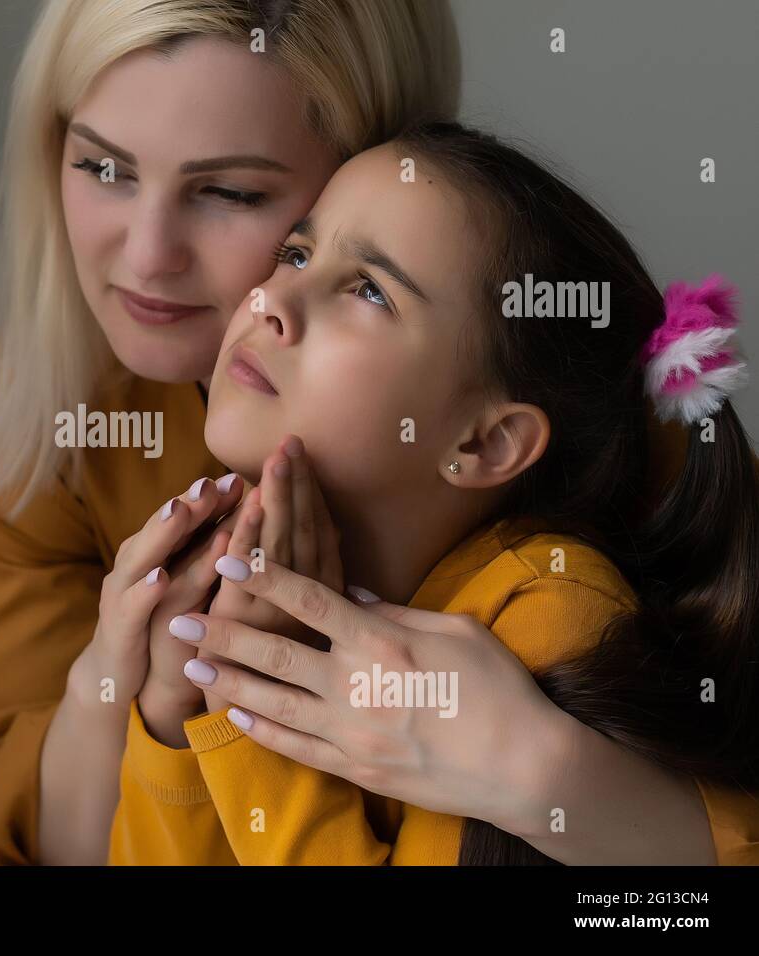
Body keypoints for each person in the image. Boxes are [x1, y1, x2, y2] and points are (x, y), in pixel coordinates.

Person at [0, 0, 757, 865]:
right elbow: (62, 846)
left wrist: (547, 772)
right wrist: (148, 694)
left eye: (230, 192)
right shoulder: (39, 408)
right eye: (104, 167)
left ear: (369, 162)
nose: (147, 257)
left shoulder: (600, 470)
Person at [108, 122, 759, 864]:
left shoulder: (542, 619)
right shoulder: (241, 576)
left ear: (484, 444)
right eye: (295, 252)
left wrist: (247, 713)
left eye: (368, 291)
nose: (270, 302)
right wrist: (171, 708)